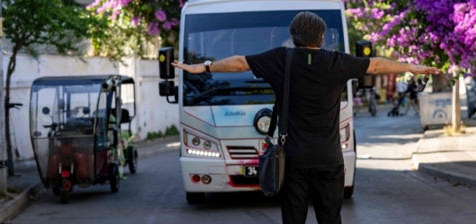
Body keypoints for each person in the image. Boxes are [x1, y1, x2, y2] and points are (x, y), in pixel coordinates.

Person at [173, 11, 440, 224]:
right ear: (322, 37)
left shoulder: (280, 59)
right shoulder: (336, 62)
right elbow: (378, 64)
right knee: (330, 218)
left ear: (293, 36)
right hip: (328, 157)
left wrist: (203, 67)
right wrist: (412, 67)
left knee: (293, 218)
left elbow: (240, 63)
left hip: (294, 160)